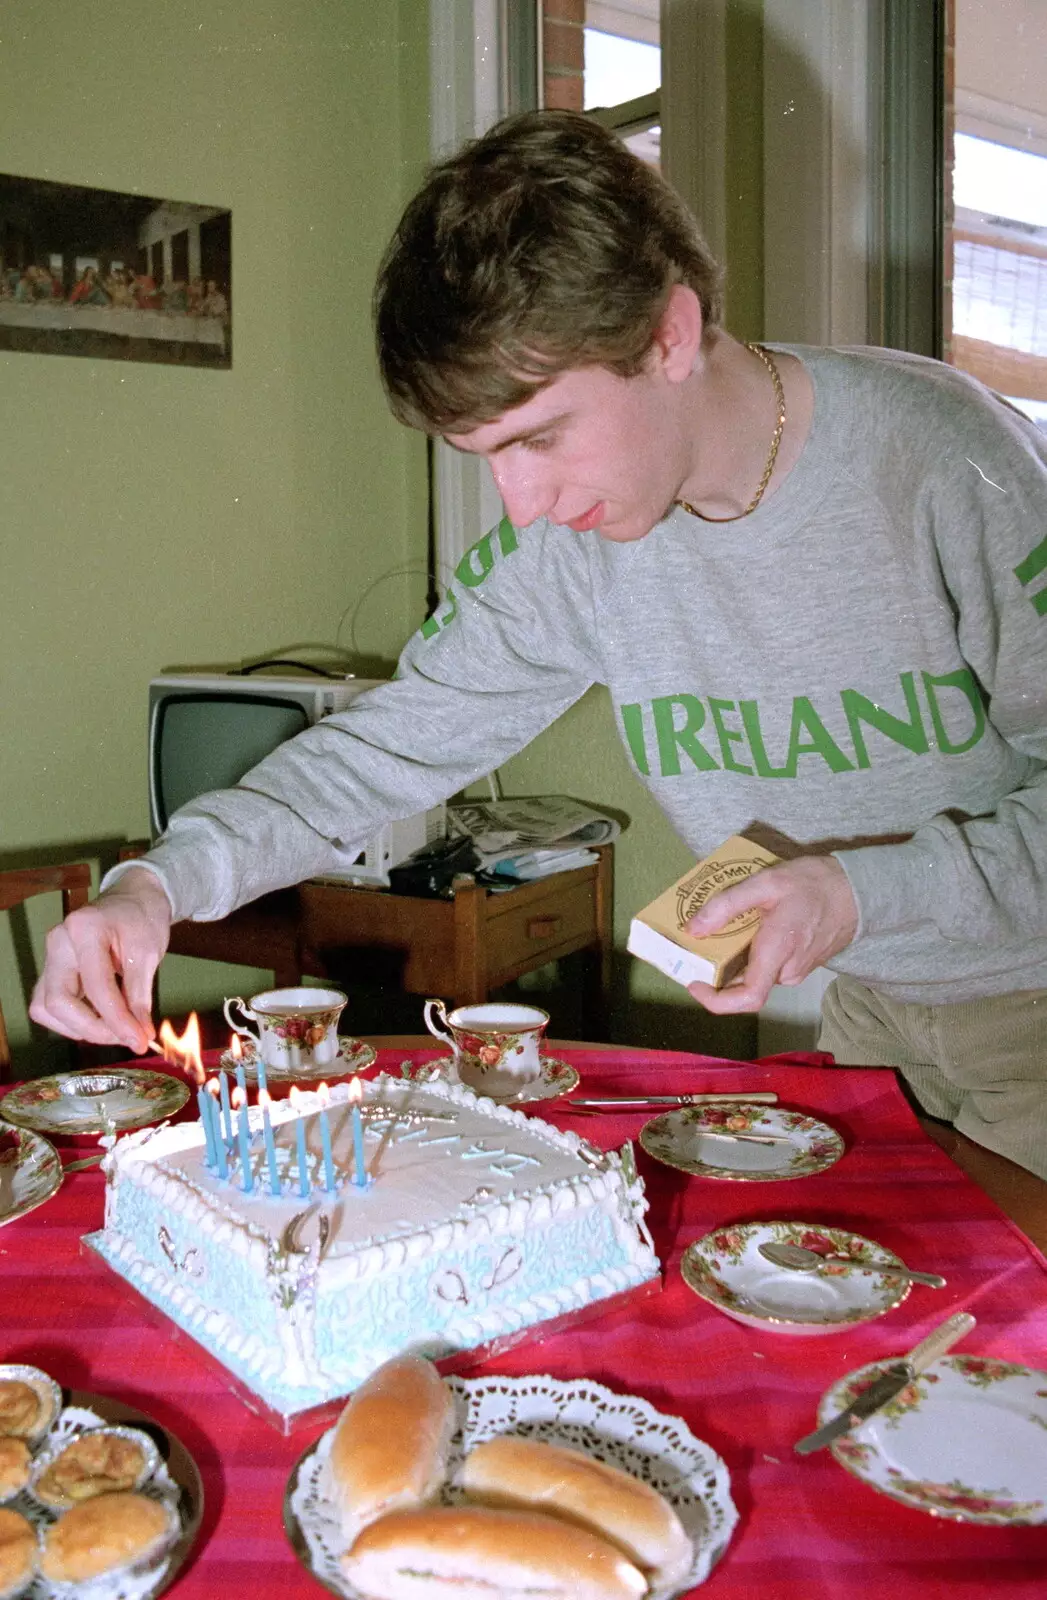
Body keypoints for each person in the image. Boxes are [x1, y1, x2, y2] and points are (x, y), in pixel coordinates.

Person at [30, 111, 1047, 1177]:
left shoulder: (946, 463)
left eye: (539, 437)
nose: (521, 505)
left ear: (669, 335)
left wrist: (855, 893)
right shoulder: (569, 547)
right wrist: (157, 885)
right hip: (874, 1011)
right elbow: (379, 752)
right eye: (484, 456)